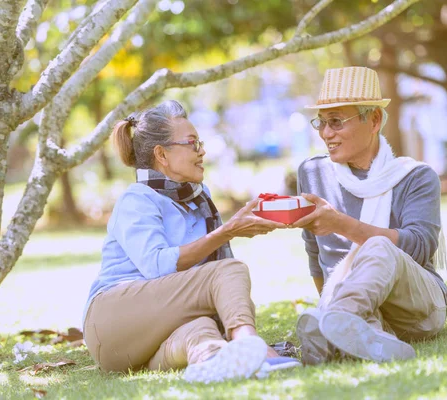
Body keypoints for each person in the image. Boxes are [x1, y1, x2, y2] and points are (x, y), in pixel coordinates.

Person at [82, 100, 301, 383]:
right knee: (229, 269)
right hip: (111, 320)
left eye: (200, 143)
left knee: (201, 329)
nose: (202, 151)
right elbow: (157, 266)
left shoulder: (198, 200)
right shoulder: (137, 199)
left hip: (136, 346)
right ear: (162, 154)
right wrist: (227, 231)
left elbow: (189, 283)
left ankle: (213, 359)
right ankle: (251, 344)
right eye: (193, 143)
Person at [293, 66, 447, 364]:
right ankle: (360, 331)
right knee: (362, 305)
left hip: (416, 307)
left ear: (374, 120)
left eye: (337, 122)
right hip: (365, 304)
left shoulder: (415, 176)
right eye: (321, 123)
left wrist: (342, 224)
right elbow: (316, 253)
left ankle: (333, 325)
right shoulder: (312, 173)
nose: (327, 133)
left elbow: (420, 246)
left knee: (378, 246)